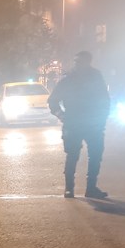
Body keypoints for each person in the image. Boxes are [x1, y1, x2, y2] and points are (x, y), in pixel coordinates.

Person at [48, 51, 111, 198]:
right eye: (77, 62)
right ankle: (69, 188)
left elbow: (105, 100)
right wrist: (62, 116)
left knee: (95, 156)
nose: (78, 64)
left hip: (92, 123)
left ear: (88, 62)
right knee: (72, 156)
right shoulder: (68, 79)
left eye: (81, 61)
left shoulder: (95, 77)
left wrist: (102, 118)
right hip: (74, 123)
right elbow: (53, 101)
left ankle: (91, 188)